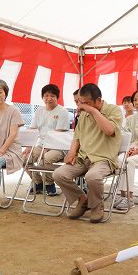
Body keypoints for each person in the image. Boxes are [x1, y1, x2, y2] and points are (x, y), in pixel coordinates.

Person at [53, 83, 123, 223]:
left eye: (86, 103)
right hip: (83, 158)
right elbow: (77, 137)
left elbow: (109, 130)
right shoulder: (83, 114)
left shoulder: (113, 110)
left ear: (98, 100)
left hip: (104, 159)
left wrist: (93, 111)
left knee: (92, 176)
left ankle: (97, 206)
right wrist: (72, 153)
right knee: (59, 174)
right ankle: (82, 200)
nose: (82, 106)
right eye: (80, 102)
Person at [25, 84, 70, 196]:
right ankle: (38, 183)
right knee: (25, 158)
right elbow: (32, 129)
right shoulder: (39, 111)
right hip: (41, 144)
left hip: (58, 146)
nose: (49, 98)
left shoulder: (63, 111)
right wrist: (28, 146)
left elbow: (60, 134)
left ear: (57, 97)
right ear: (42, 97)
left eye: (52, 96)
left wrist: (48, 147)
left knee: (44, 160)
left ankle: (50, 184)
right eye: (46, 95)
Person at [0, 79, 24, 210]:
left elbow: (13, 134)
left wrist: (1, 152)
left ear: (5, 94)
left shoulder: (14, 111)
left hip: (10, 152)